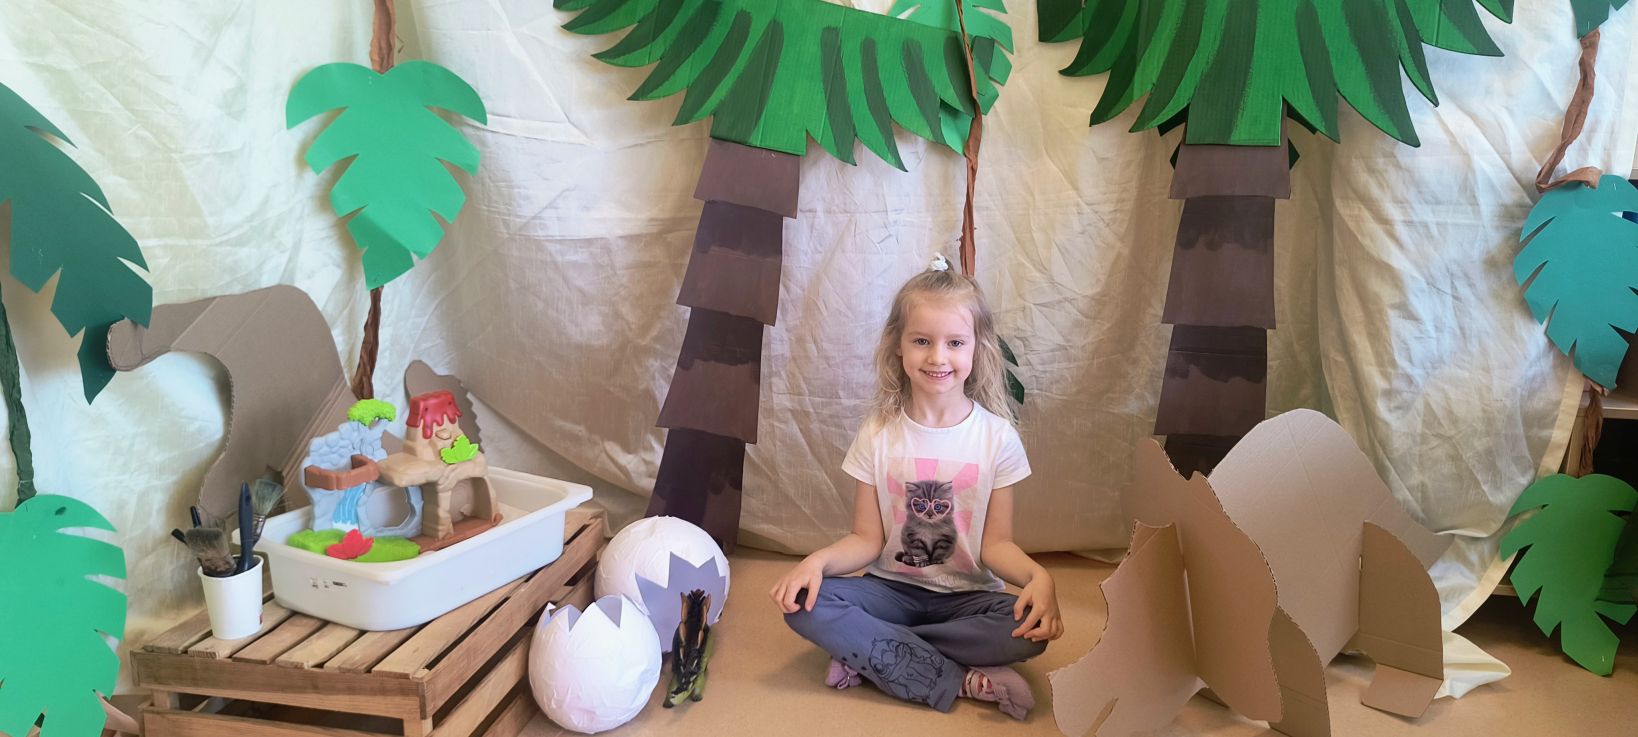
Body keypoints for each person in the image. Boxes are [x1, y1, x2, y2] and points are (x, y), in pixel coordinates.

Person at [770, 255, 1063, 721]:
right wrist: (816, 562)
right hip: (891, 591)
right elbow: (865, 539)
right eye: (922, 341)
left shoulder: (997, 438)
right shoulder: (878, 433)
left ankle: (873, 653)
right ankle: (956, 676)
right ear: (898, 346)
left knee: (1027, 629)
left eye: (955, 342)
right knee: (805, 604)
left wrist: (1038, 578)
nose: (937, 357)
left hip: (968, 598)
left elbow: (996, 546)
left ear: (978, 348)